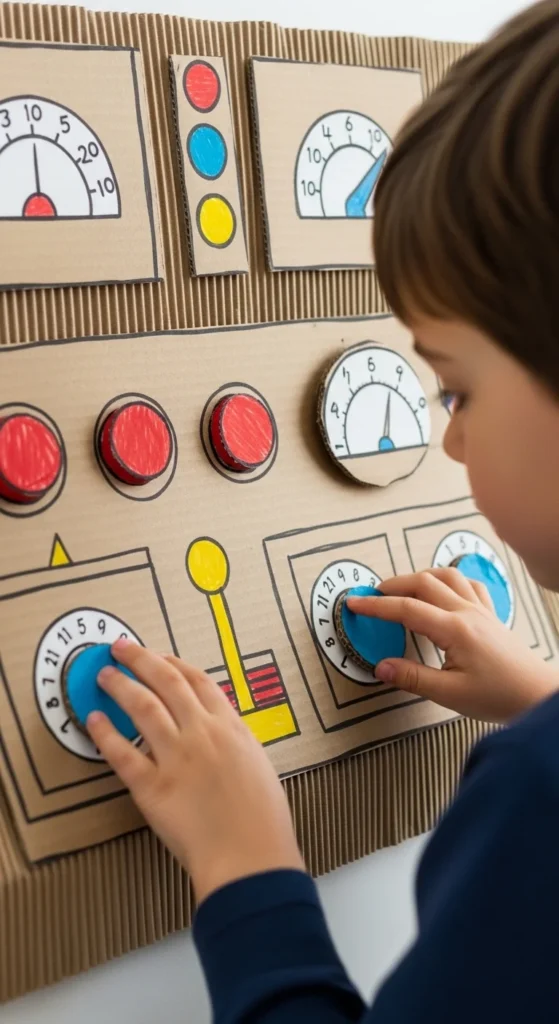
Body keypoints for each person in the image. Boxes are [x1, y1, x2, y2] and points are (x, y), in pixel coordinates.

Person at [86, 2, 559, 1020]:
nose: (450, 440)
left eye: (454, 390)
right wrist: (539, 698)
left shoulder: (536, 801)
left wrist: (244, 862)